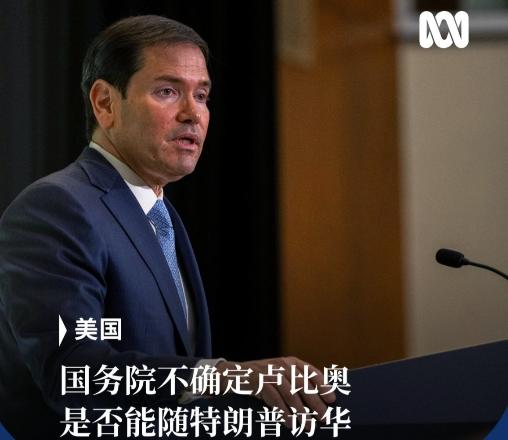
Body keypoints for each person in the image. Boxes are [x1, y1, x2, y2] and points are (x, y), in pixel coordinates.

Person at [0, 15, 335, 439]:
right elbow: (75, 375)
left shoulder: (160, 215)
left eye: (202, 95)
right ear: (105, 103)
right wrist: (224, 375)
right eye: (167, 91)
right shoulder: (56, 208)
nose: (193, 113)